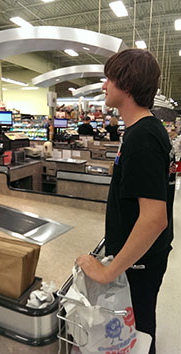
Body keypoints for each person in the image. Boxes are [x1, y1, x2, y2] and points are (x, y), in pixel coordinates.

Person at [76, 48, 176, 354]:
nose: (104, 85)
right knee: (141, 325)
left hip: (141, 262)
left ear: (127, 85)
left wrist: (108, 271)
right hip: (143, 257)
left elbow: (154, 218)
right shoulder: (142, 130)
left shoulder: (143, 136)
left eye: (109, 79)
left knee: (138, 332)